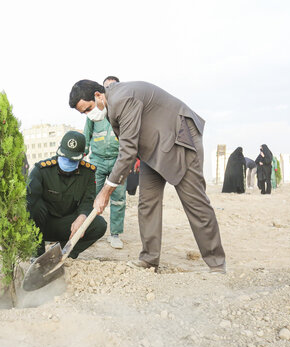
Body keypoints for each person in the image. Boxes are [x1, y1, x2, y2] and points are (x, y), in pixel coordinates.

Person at [69, 80, 226, 273]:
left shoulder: (122, 99)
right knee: (147, 203)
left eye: (88, 109)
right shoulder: (110, 106)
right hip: (153, 149)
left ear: (98, 95)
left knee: (194, 202)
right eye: (83, 113)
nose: (88, 115)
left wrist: (106, 190)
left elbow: (127, 150)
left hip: (181, 137)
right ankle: (149, 259)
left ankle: (216, 263)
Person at [26, 131, 107, 259]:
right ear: (59, 151)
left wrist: (82, 216)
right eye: (65, 157)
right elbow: (29, 199)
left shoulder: (88, 173)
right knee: (34, 206)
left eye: (72, 159)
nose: (67, 162)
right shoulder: (42, 170)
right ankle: (38, 255)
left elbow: (88, 200)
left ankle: (61, 253)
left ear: (81, 157)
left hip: (68, 225)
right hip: (42, 225)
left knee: (99, 225)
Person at [83, 75, 125, 249]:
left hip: (118, 161)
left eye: (114, 86)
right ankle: (88, 230)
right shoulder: (94, 112)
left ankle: (115, 234)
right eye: (107, 87)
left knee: (118, 199)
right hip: (97, 161)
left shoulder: (122, 110)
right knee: (91, 196)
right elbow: (86, 135)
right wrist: (82, 155)